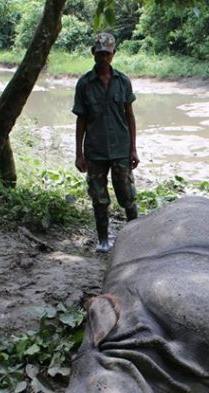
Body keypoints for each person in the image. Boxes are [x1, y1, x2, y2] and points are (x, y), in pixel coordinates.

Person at [72, 32, 139, 253]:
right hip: (95, 151)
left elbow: (129, 116)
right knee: (99, 200)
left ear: (113, 55)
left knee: (128, 197)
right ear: (93, 54)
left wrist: (133, 148)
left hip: (121, 148)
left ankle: (136, 240)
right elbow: (81, 119)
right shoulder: (84, 84)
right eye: (99, 54)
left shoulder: (123, 81)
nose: (103, 58)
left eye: (107, 54)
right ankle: (103, 241)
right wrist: (79, 154)